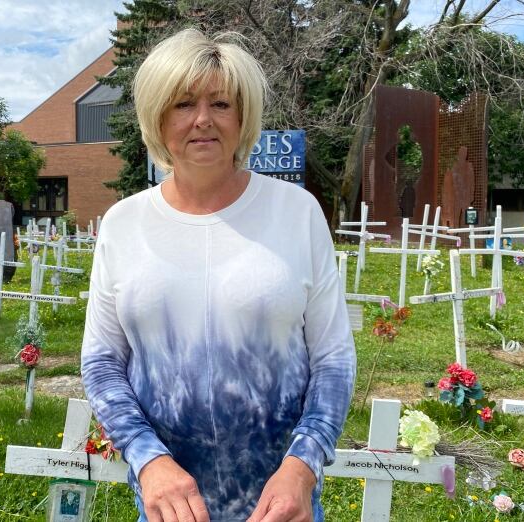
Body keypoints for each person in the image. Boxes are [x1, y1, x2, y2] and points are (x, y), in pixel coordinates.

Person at [81, 28, 355, 522]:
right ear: (157, 117)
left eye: (221, 104)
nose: (202, 120)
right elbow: (102, 363)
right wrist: (149, 461)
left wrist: (303, 466)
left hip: (282, 509)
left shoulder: (296, 212)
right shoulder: (124, 224)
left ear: (243, 115)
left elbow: (333, 359)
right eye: (183, 103)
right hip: (167, 510)